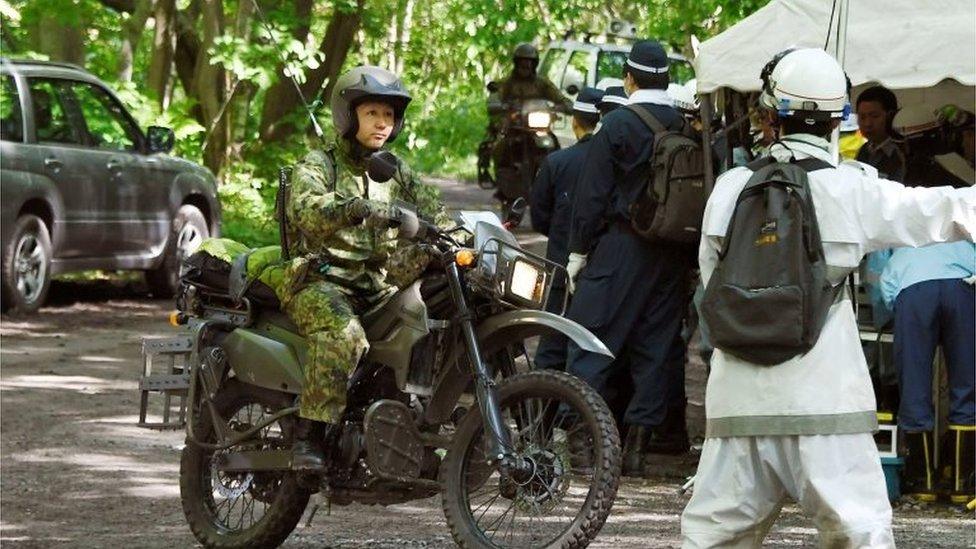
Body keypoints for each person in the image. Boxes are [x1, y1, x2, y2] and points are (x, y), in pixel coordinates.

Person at [681, 48, 976, 547]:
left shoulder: (730, 190)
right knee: (859, 535)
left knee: (712, 539)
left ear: (769, 116)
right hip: (826, 409)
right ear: (839, 119)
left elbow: (711, 288)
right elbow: (941, 210)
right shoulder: (853, 190)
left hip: (736, 408)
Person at [271, 66, 445, 468]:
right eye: (372, 114)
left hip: (375, 283)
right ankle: (308, 437)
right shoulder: (320, 164)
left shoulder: (394, 169)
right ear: (349, 117)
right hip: (320, 278)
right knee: (344, 335)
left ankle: (408, 428)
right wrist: (354, 208)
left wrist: (465, 235)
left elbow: (435, 210)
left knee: (425, 316)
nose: (382, 124)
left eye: (389, 116)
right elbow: (305, 210)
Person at [566, 39, 693, 476]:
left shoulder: (617, 125)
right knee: (656, 347)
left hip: (621, 247)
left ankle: (586, 446)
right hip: (673, 251)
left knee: (591, 338)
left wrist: (578, 252)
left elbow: (592, 195)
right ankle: (637, 449)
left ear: (630, 78)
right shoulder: (686, 125)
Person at [879, 241, 975, 503]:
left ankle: (922, 480)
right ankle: (962, 480)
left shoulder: (897, 210)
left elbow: (881, 275)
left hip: (913, 289)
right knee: (967, 383)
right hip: (963, 286)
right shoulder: (961, 204)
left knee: (914, 384)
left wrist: (891, 308)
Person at [530, 86, 603, 371]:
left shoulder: (557, 162)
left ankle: (539, 412)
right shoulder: (614, 164)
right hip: (598, 272)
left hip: (559, 265)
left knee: (552, 344)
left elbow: (539, 216)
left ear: (574, 121)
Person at [477, 43, 572, 183]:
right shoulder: (508, 83)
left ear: (534, 64)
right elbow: (496, 96)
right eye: (522, 61)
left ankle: (556, 177)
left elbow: (560, 98)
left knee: (554, 144)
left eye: (529, 61)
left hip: (537, 125)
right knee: (498, 143)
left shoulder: (542, 83)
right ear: (516, 63)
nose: (525, 65)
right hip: (514, 125)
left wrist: (564, 106)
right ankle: (495, 174)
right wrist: (497, 105)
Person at [856, 85, 906, 181]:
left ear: (891, 116)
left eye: (874, 116)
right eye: (862, 117)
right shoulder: (864, 151)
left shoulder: (903, 153)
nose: (867, 124)